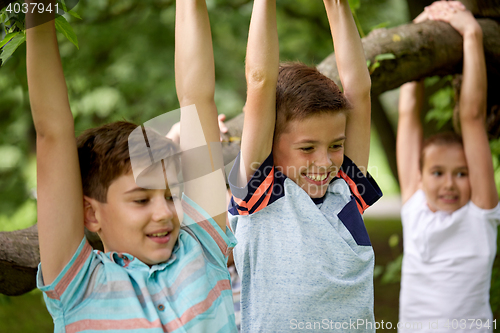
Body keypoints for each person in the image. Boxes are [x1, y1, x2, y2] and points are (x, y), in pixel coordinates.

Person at [29, 0, 237, 331]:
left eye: (171, 196)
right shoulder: (80, 287)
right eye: (141, 199)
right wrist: (37, 12)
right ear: (92, 214)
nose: (164, 213)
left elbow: (197, 99)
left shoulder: (203, 245)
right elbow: (52, 134)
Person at [228, 0, 382, 331]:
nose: (325, 162)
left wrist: (337, 5)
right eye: (307, 147)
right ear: (269, 140)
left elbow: (360, 92)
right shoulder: (261, 196)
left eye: (336, 146)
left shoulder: (345, 192)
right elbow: (259, 79)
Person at [397, 2, 500, 332]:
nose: (449, 185)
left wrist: (471, 33)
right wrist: (415, 32)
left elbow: (472, 117)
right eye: (438, 172)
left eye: (462, 173)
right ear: (419, 176)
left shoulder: (481, 213)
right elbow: (407, 113)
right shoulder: (414, 205)